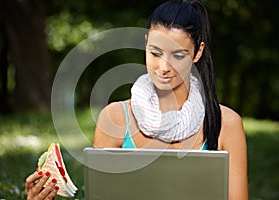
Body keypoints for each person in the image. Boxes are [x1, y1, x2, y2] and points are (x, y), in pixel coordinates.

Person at [25, 0, 248, 199]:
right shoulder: (113, 118)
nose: (164, 68)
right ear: (145, 43)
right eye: (155, 52)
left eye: (178, 55)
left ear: (198, 53)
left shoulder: (226, 123)